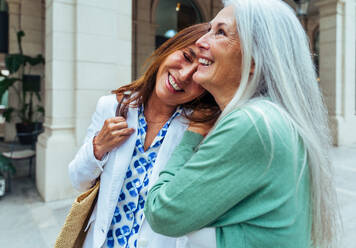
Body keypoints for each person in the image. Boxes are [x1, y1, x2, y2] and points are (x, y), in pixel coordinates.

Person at [144, 1, 339, 248]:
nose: (202, 41)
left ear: (254, 60)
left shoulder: (252, 124)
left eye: (221, 32)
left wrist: (192, 133)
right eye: (209, 29)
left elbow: (162, 213)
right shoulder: (272, 116)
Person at [68, 23, 220, 248]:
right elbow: (78, 180)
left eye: (199, 74)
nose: (185, 75)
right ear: (170, 48)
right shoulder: (112, 107)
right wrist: (98, 146)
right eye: (187, 57)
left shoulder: (198, 129)